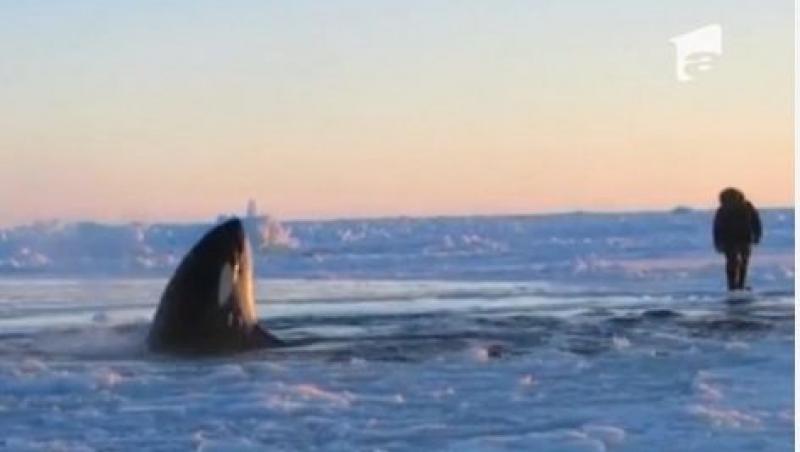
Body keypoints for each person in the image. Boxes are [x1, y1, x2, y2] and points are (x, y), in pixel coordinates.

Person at [712, 188, 762, 291]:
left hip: (741, 238)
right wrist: (757, 235)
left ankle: (736, 285)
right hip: (734, 239)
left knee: (738, 262)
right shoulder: (724, 210)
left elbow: (755, 222)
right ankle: (735, 285)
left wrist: (757, 235)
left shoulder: (745, 207)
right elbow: (717, 228)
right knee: (736, 262)